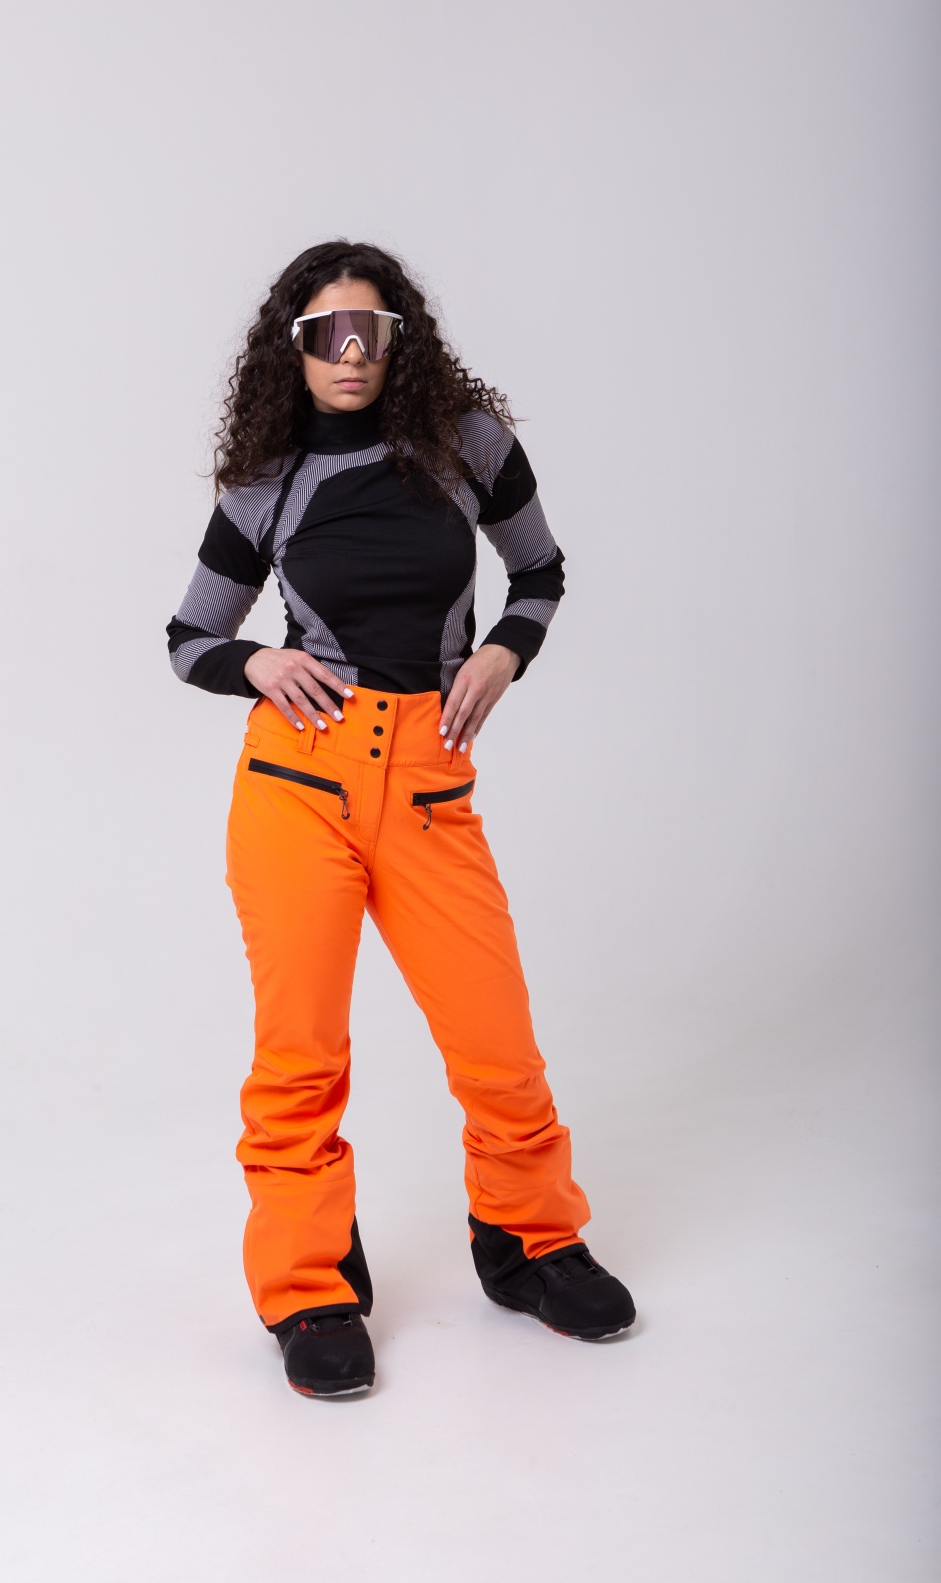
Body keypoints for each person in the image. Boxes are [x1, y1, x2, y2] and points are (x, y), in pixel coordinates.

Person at [167, 240, 635, 1397]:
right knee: (299, 1055)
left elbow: (538, 573)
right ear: (291, 349)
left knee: (495, 1041)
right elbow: (187, 639)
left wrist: (502, 652)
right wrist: (257, 662)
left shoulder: (465, 445)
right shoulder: (265, 481)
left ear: (396, 342)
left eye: (366, 332)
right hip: (297, 783)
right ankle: (308, 1281)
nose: (346, 353)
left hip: (428, 781)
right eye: (323, 334)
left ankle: (528, 1241)